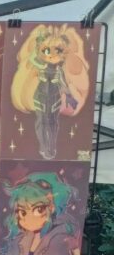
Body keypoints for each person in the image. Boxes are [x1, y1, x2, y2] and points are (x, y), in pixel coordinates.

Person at [11, 25, 90, 160]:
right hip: (41, 97)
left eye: (57, 51)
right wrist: (38, 43)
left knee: (53, 123)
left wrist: (69, 96)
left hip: (54, 98)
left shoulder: (59, 70)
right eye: (47, 51)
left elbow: (63, 84)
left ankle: (51, 147)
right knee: (41, 122)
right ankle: (44, 147)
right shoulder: (41, 65)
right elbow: (32, 58)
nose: (52, 55)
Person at [0, 171, 81, 255]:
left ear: (52, 207)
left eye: (38, 210)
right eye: (22, 212)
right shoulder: (20, 238)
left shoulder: (62, 236)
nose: (28, 219)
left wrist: (74, 249)